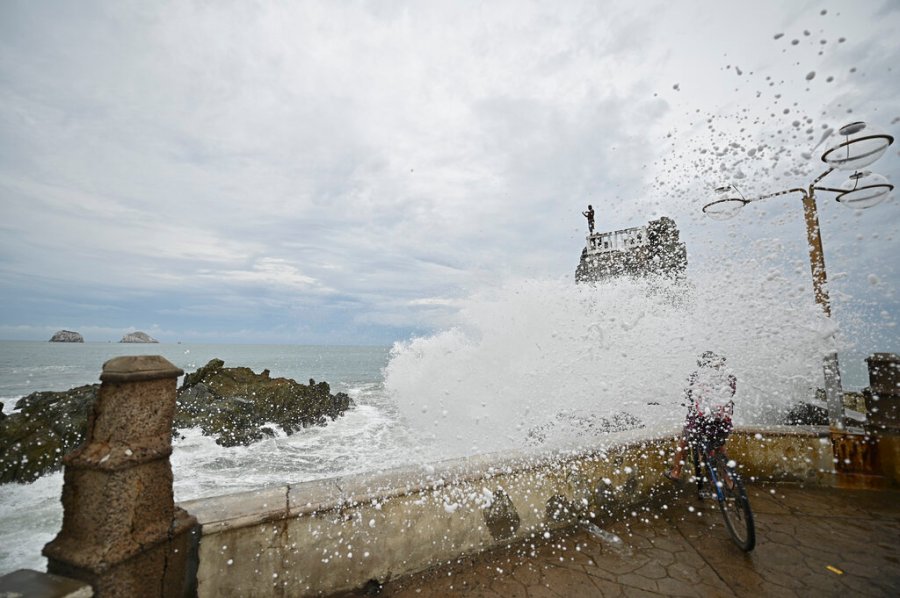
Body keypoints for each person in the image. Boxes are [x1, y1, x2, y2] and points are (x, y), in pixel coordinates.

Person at [665, 351, 736, 482]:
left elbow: (689, 395)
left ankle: (676, 472)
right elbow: (731, 394)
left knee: (684, 441)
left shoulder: (697, 377)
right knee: (720, 446)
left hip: (700, 424)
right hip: (722, 424)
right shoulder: (727, 378)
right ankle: (729, 480)